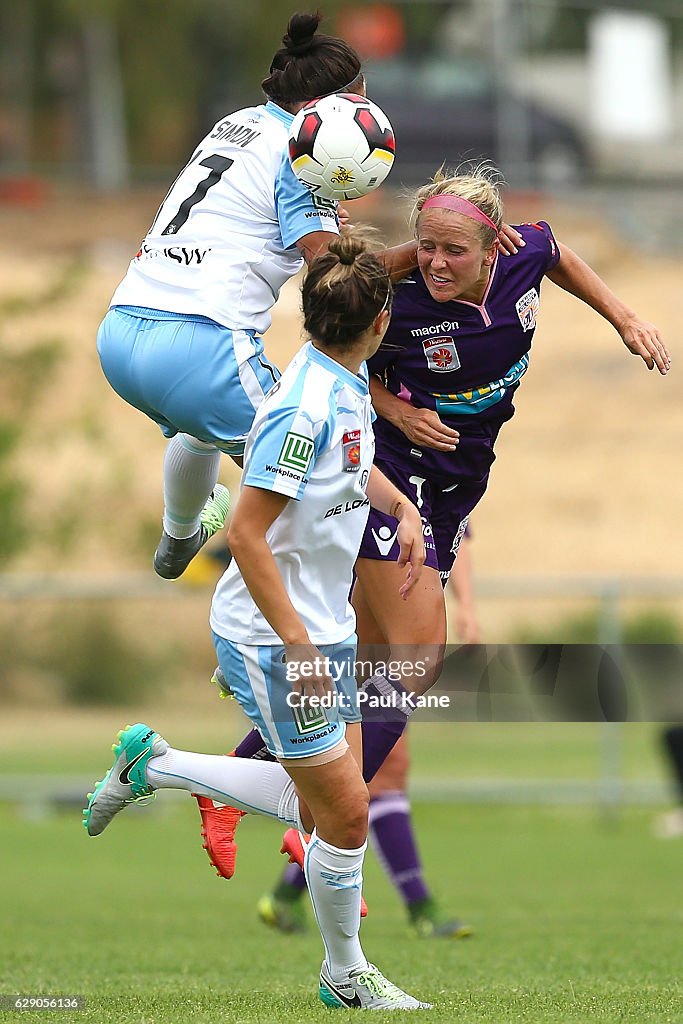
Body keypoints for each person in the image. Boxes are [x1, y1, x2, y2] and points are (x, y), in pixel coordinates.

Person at [197, 162, 671, 881]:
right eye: (426, 246)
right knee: (417, 656)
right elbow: (328, 347)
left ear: (494, 248)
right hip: (389, 473)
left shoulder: (525, 253)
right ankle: (304, 806)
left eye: (454, 250)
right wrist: (395, 409)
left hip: (455, 489)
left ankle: (258, 783)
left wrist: (626, 317)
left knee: (378, 665)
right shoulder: (397, 299)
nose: (436, 263)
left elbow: (560, 254)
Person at [84, 235, 434, 1011]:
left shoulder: (340, 379)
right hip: (275, 641)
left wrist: (400, 505)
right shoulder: (300, 408)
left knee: (318, 804)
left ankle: (154, 767)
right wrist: (299, 645)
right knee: (345, 814)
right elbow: (244, 532)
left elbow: (350, 464)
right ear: (380, 323)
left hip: (319, 630)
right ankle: (344, 974)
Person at [95, 11, 418, 581]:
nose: (369, 118)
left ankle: (181, 532)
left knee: (201, 428)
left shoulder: (239, 122)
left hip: (121, 335)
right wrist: (429, 250)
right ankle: (259, 645)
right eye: (361, 105)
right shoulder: (302, 154)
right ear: (330, 110)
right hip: (202, 349)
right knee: (321, 485)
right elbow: (338, 275)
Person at [257, 531, 480, 937]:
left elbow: (457, 534)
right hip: (360, 613)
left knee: (370, 770)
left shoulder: (446, 481)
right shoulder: (383, 479)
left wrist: (465, 603)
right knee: (380, 769)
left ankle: (291, 887)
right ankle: (418, 906)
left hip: (387, 613)